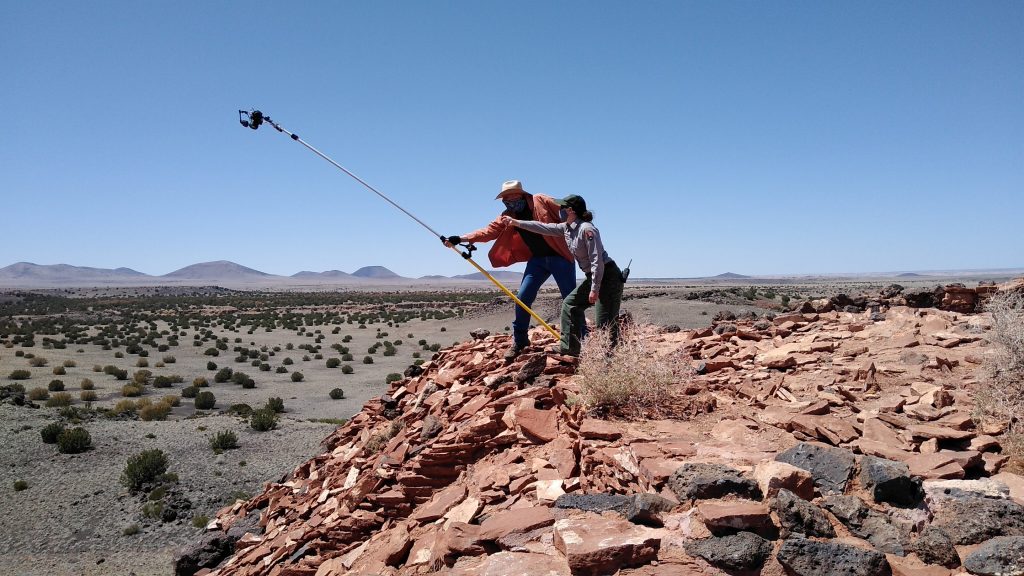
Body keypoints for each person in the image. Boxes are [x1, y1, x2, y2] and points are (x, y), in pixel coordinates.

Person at [444, 180, 577, 361]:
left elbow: (567, 211)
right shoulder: (508, 215)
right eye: (506, 201)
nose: (510, 203)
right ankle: (520, 340)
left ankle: (578, 340)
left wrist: (579, 227)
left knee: (570, 300)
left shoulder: (541, 200)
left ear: (522, 195)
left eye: (513, 198)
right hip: (537, 260)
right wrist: (461, 238)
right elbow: (488, 232)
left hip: (560, 256)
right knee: (522, 298)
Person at [501, 194, 624, 357]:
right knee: (570, 305)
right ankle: (570, 347)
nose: (560, 211)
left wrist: (595, 288)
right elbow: (542, 227)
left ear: (571, 210)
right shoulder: (567, 228)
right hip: (593, 276)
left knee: (605, 322)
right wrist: (516, 222)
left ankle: (610, 359)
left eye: (563, 208)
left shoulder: (587, 229)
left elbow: (597, 261)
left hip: (606, 276)